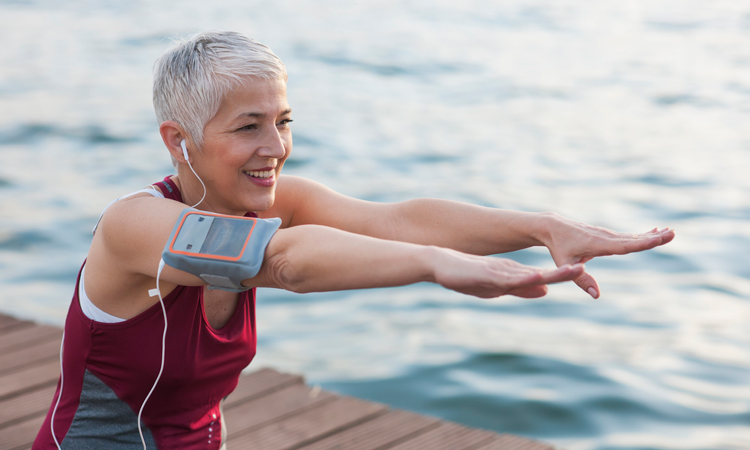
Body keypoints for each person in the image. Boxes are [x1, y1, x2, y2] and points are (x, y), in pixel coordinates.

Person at [33, 30, 674, 449]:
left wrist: (539, 228)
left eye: (282, 122)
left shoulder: (278, 200)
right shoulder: (133, 226)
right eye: (248, 126)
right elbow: (282, 261)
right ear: (179, 140)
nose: (275, 148)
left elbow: (396, 221)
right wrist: (436, 266)